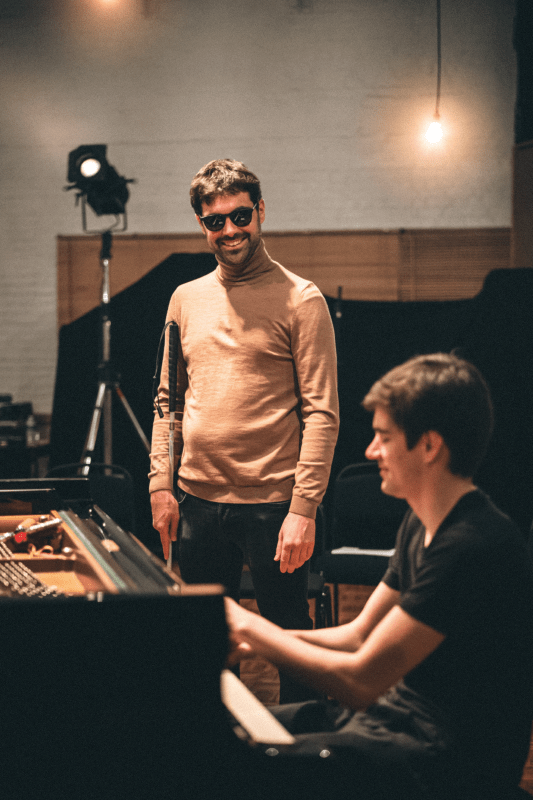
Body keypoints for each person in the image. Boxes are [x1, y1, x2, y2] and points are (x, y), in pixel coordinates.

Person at [225, 353, 533, 800]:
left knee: (242, 765)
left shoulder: (473, 544)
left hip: (446, 761)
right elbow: (357, 636)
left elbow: (359, 680)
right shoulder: (419, 521)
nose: (370, 451)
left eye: (384, 437)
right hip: (394, 724)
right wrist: (253, 637)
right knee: (230, 730)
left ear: (429, 446)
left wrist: (249, 626)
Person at [149, 159, 339, 702]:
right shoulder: (185, 299)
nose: (229, 231)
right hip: (198, 502)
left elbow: (322, 412)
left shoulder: (302, 299)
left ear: (260, 211)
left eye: (239, 216)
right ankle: (219, 754)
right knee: (208, 638)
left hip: (274, 506)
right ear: (201, 225)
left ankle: (297, 763)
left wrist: (303, 510)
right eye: (215, 221)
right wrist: (161, 483)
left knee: (288, 638)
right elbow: (168, 399)